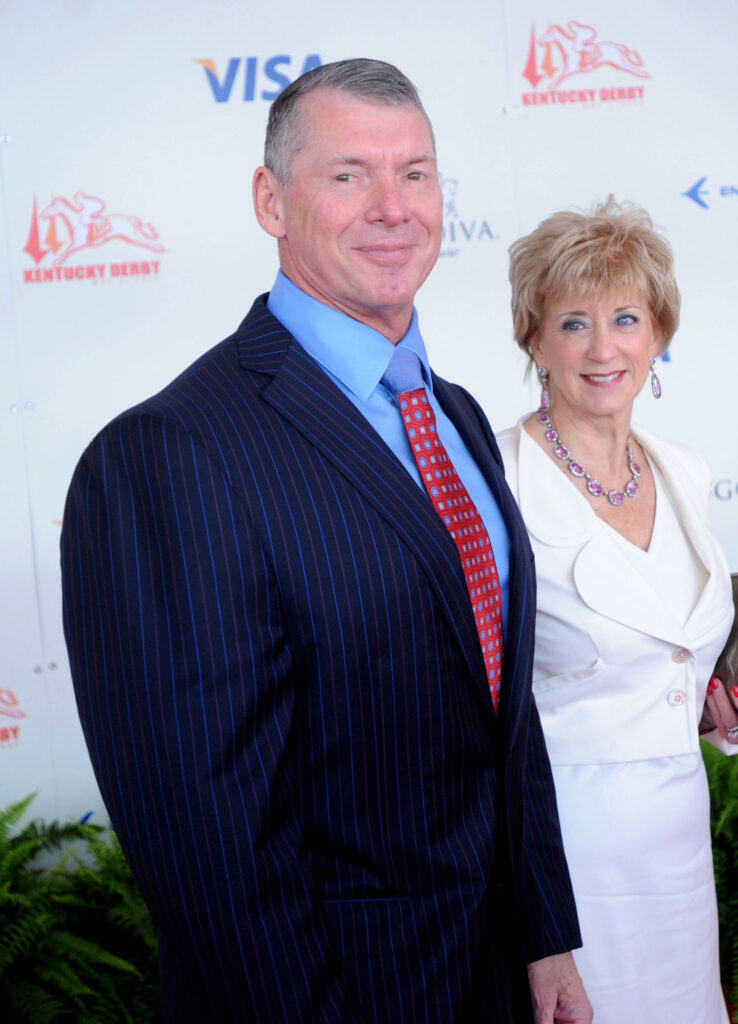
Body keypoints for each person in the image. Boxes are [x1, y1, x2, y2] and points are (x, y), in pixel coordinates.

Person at [61, 59, 592, 1024]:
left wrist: (547, 933)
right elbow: (207, 843)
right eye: (349, 175)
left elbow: (497, 718)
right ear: (271, 200)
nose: (393, 208)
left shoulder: (460, 417)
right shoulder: (167, 454)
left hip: (500, 976)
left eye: (417, 173)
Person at [496, 197, 738, 1023]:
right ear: (533, 340)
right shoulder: (497, 481)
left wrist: (732, 717)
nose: (603, 347)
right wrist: (533, 927)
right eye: (573, 323)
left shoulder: (684, 471)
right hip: (566, 859)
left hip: (678, 846)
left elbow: (670, 669)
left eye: (625, 317)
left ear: (658, 333)